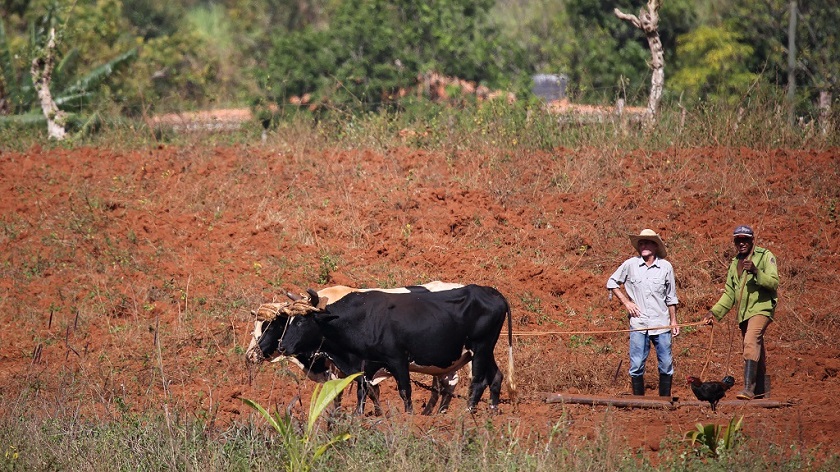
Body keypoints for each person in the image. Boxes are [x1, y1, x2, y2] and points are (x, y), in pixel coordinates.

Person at [703, 225, 779, 400]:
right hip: (744, 313)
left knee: (750, 341)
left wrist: (755, 271)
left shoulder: (764, 256)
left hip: (761, 308)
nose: (742, 243)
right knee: (755, 348)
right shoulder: (734, 264)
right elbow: (729, 293)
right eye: (738, 240)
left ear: (752, 240)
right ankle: (761, 391)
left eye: (745, 239)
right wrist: (713, 312)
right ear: (734, 242)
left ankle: (748, 389)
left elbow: (773, 283)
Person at [607, 229, 679, 397]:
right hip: (638, 324)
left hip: (661, 323)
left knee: (666, 363)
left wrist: (673, 321)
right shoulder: (630, 265)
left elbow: (671, 297)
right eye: (641, 243)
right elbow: (611, 282)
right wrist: (626, 302)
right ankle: (639, 402)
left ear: (655, 246)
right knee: (637, 364)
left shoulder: (665, 267)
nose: (643, 245)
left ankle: (664, 401)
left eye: (647, 242)